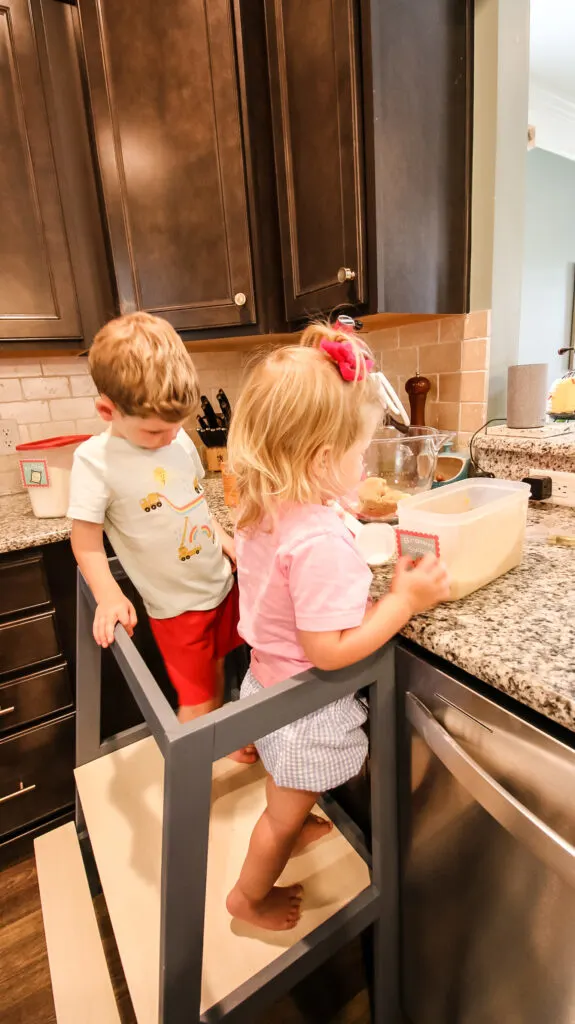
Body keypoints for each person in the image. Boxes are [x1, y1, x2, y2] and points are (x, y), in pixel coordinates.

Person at [225, 320, 450, 930]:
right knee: (279, 813)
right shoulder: (318, 541)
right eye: (358, 451)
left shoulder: (266, 507)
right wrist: (402, 600)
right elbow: (328, 652)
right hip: (303, 708)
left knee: (284, 789)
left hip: (265, 683)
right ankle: (247, 897)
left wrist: (333, 500)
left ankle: (291, 822)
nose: (362, 461)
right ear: (323, 459)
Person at [68, 312, 254, 759]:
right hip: (176, 608)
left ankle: (219, 738)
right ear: (107, 410)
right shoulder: (96, 462)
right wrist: (109, 594)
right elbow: (86, 540)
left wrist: (224, 541)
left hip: (219, 583)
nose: (170, 436)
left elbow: (193, 503)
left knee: (223, 672)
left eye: (176, 425)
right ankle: (191, 788)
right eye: (154, 430)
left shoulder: (178, 441)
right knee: (198, 698)